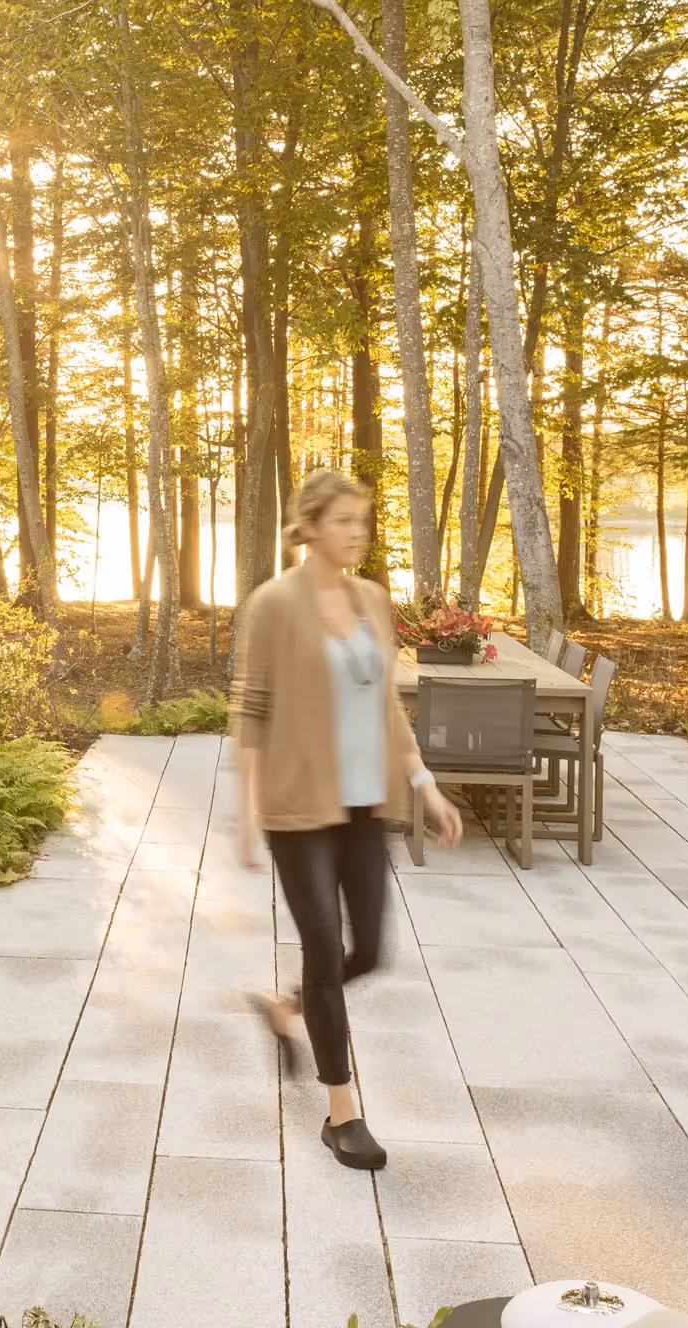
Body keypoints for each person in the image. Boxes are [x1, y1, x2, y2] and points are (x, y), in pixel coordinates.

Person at [229, 468, 461, 1172]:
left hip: (365, 802)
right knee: (325, 954)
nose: (357, 533)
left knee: (370, 952)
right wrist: (246, 813)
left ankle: (282, 1006)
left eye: (362, 521)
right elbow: (252, 710)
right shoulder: (273, 604)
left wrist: (425, 785)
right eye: (343, 521)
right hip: (298, 807)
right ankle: (343, 1114)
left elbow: (387, 704)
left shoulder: (373, 600)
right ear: (308, 527)